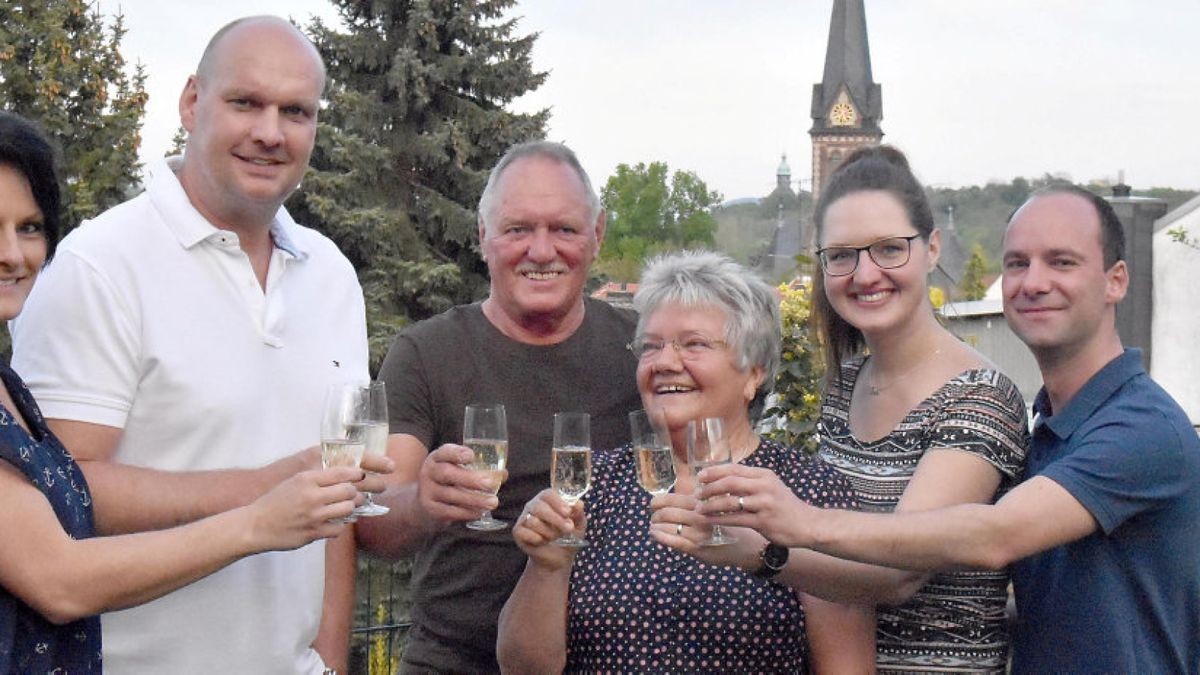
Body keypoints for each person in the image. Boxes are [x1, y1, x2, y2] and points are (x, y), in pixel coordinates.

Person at [10, 17, 389, 674]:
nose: (270, 132)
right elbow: (62, 491)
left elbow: (336, 502)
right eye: (246, 103)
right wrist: (262, 493)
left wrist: (325, 659)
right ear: (191, 102)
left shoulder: (331, 275)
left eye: (295, 111)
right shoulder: (99, 265)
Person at [699, 186, 1200, 673]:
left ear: (1116, 281)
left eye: (1062, 262)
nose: (1034, 282)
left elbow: (996, 536)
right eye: (1017, 263)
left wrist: (801, 526)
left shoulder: (1141, 428)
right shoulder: (1052, 423)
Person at [667, 147, 1029, 673]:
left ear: (931, 248)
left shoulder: (978, 395)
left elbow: (899, 575)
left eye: (888, 249)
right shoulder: (845, 383)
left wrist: (763, 548)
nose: (864, 273)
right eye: (841, 255)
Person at [497, 250, 875, 673]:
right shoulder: (593, 485)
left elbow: (846, 665)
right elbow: (523, 669)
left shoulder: (807, 492)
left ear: (753, 373)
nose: (665, 363)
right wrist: (545, 568)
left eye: (693, 344)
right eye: (651, 347)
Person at [356, 141, 642, 672]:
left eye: (564, 229)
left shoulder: (642, 352)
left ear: (597, 234)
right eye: (517, 230)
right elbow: (374, 524)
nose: (541, 250)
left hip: (618, 659)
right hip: (457, 660)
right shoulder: (427, 353)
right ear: (483, 236)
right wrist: (422, 501)